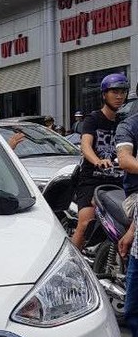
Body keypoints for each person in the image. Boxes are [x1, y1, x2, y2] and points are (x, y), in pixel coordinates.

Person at [70, 73, 128, 250]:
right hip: (93, 179)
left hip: (117, 180)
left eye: (122, 92)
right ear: (104, 94)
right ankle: (72, 264)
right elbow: (85, 145)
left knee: (128, 221)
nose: (119, 96)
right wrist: (97, 161)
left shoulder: (124, 123)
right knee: (86, 222)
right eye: (114, 92)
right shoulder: (93, 119)